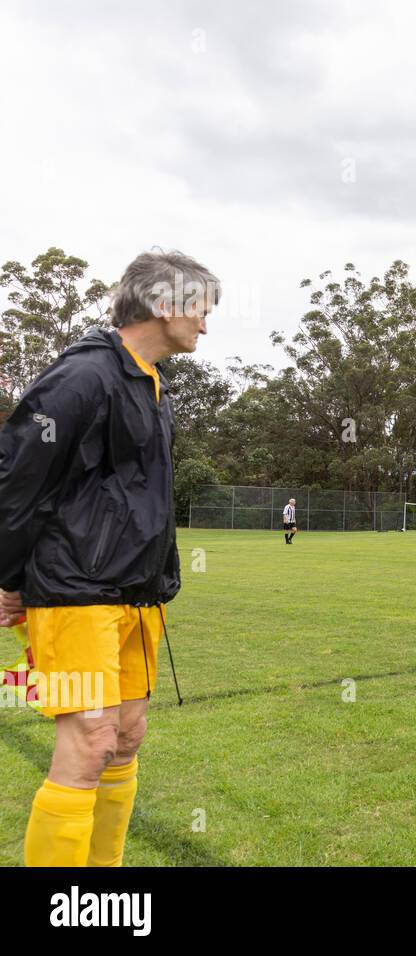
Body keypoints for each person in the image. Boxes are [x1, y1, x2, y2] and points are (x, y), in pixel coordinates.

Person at [0, 249, 220, 866]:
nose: (206, 324)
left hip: (139, 594)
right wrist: (7, 578)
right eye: (201, 309)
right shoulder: (81, 378)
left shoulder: (153, 386)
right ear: (162, 305)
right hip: (76, 593)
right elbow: (16, 481)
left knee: (125, 740)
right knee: (89, 742)